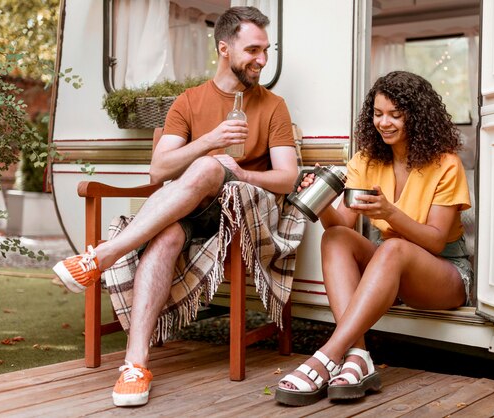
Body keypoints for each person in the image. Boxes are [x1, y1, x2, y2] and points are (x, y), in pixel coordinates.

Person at [52, 6, 298, 407]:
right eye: (253, 50)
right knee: (165, 235)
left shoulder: (273, 106)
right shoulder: (189, 102)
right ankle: (135, 365)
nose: (262, 60)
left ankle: (104, 255)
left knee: (210, 165)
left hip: (239, 213)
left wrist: (235, 170)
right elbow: (158, 169)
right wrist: (210, 140)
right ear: (224, 48)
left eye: (266, 50)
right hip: (186, 210)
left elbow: (286, 177)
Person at [275, 71, 472, 406]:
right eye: (378, 114)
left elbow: (437, 241)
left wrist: (389, 213)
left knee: (394, 247)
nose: (385, 123)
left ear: (418, 116)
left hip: (444, 273)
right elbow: (342, 225)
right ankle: (359, 357)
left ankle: (327, 355)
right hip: (388, 268)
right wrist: (321, 201)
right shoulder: (365, 161)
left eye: (396, 115)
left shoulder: (446, 164)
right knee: (335, 238)